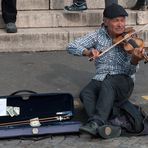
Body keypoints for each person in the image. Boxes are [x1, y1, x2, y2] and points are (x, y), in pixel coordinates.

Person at [66, 3, 146, 139]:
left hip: (123, 82)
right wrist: (87, 51)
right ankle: (106, 127)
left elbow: (131, 72)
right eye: (116, 20)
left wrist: (134, 60)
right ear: (105, 21)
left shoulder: (130, 40)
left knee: (108, 83)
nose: (121, 24)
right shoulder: (97, 36)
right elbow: (71, 46)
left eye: (122, 20)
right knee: (86, 92)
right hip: (101, 78)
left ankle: (96, 122)